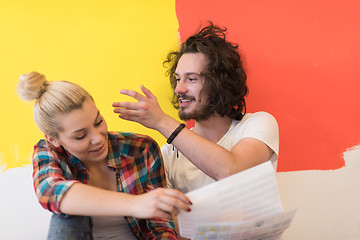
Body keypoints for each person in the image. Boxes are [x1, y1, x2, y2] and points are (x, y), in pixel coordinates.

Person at [112, 22, 279, 238]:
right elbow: (168, 228)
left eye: (191, 79)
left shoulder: (258, 124)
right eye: (178, 79)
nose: (179, 89)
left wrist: (162, 121)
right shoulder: (168, 154)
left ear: (220, 83)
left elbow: (232, 172)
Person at [17, 71, 192, 240]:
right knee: (64, 216)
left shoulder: (141, 148)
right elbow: (51, 192)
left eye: (98, 122)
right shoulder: (49, 152)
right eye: (81, 136)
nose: (98, 138)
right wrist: (137, 204)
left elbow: (159, 223)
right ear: (53, 139)